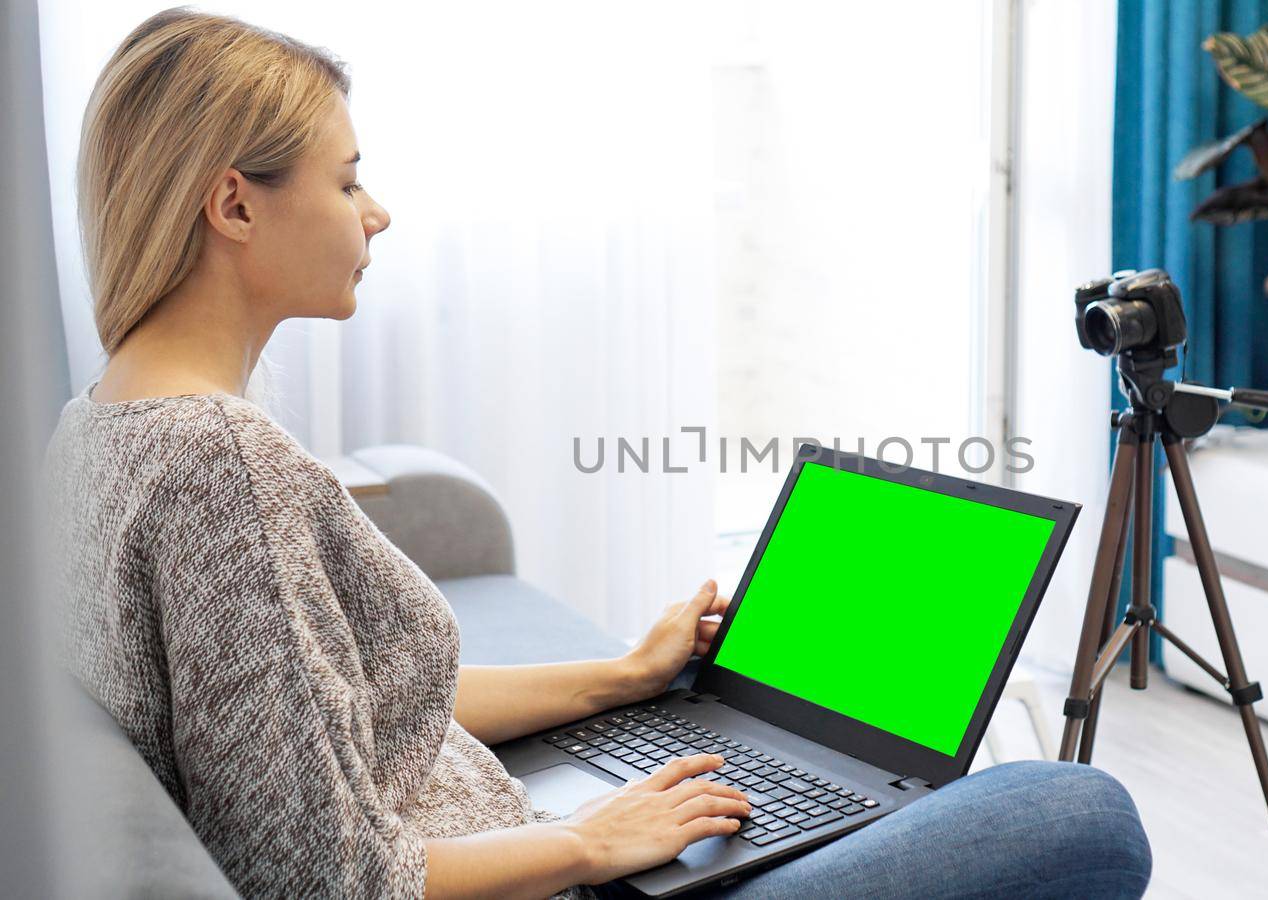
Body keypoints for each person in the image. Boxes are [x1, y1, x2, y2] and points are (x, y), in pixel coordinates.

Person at [45, 8, 1152, 899]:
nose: (375, 213)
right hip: (545, 877)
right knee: (1075, 812)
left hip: (502, 833)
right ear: (234, 204)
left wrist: (623, 675)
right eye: (345, 181)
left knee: (850, 784)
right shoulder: (218, 464)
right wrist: (592, 841)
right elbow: (326, 882)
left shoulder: (98, 424)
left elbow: (325, 727)